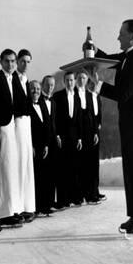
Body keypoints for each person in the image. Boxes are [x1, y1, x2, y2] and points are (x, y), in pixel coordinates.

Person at [86, 19, 133, 234]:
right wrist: (93, 49)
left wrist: (97, 86)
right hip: (130, 125)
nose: (118, 38)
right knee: (131, 171)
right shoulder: (127, 56)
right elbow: (108, 59)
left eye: (121, 34)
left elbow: (124, 93)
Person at [0, 49, 23, 228]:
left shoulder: (14, 78)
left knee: (10, 171)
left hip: (12, 128)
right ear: (0, 62)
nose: (10, 65)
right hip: (1, 129)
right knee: (1, 171)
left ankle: (10, 210)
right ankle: (0, 214)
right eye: (7, 61)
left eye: (13, 61)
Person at [12, 49, 36, 222]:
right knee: (18, 166)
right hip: (16, 124)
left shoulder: (26, 80)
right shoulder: (12, 79)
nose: (25, 65)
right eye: (23, 61)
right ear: (17, 61)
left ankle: (27, 206)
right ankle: (16, 207)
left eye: (28, 62)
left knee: (26, 165)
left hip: (26, 125)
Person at [53, 72, 83, 208]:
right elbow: (54, 117)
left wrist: (80, 138)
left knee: (74, 168)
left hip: (74, 137)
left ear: (75, 82)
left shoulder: (77, 98)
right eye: (67, 80)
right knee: (61, 169)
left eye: (72, 80)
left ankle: (74, 197)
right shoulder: (58, 96)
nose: (70, 83)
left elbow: (79, 119)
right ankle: (62, 200)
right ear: (64, 82)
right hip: (62, 137)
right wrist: (57, 135)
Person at [75, 70, 101, 205]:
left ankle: (91, 194)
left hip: (90, 133)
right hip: (78, 133)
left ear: (87, 80)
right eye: (79, 77)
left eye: (84, 78)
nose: (81, 80)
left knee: (90, 164)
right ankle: (79, 195)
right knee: (79, 165)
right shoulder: (72, 94)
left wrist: (96, 132)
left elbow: (94, 116)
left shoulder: (90, 96)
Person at [29, 80, 52, 216]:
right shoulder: (26, 106)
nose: (36, 91)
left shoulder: (42, 104)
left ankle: (45, 206)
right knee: (35, 178)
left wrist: (47, 145)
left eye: (38, 89)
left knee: (45, 177)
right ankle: (35, 207)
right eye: (33, 89)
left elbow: (48, 125)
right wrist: (30, 145)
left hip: (44, 146)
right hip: (32, 146)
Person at [40, 75, 58, 213]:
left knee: (52, 173)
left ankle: (50, 202)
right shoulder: (38, 100)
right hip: (42, 141)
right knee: (43, 174)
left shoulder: (53, 101)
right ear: (43, 84)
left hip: (53, 141)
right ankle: (42, 205)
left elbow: (54, 122)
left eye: (52, 85)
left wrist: (57, 136)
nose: (50, 87)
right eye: (47, 85)